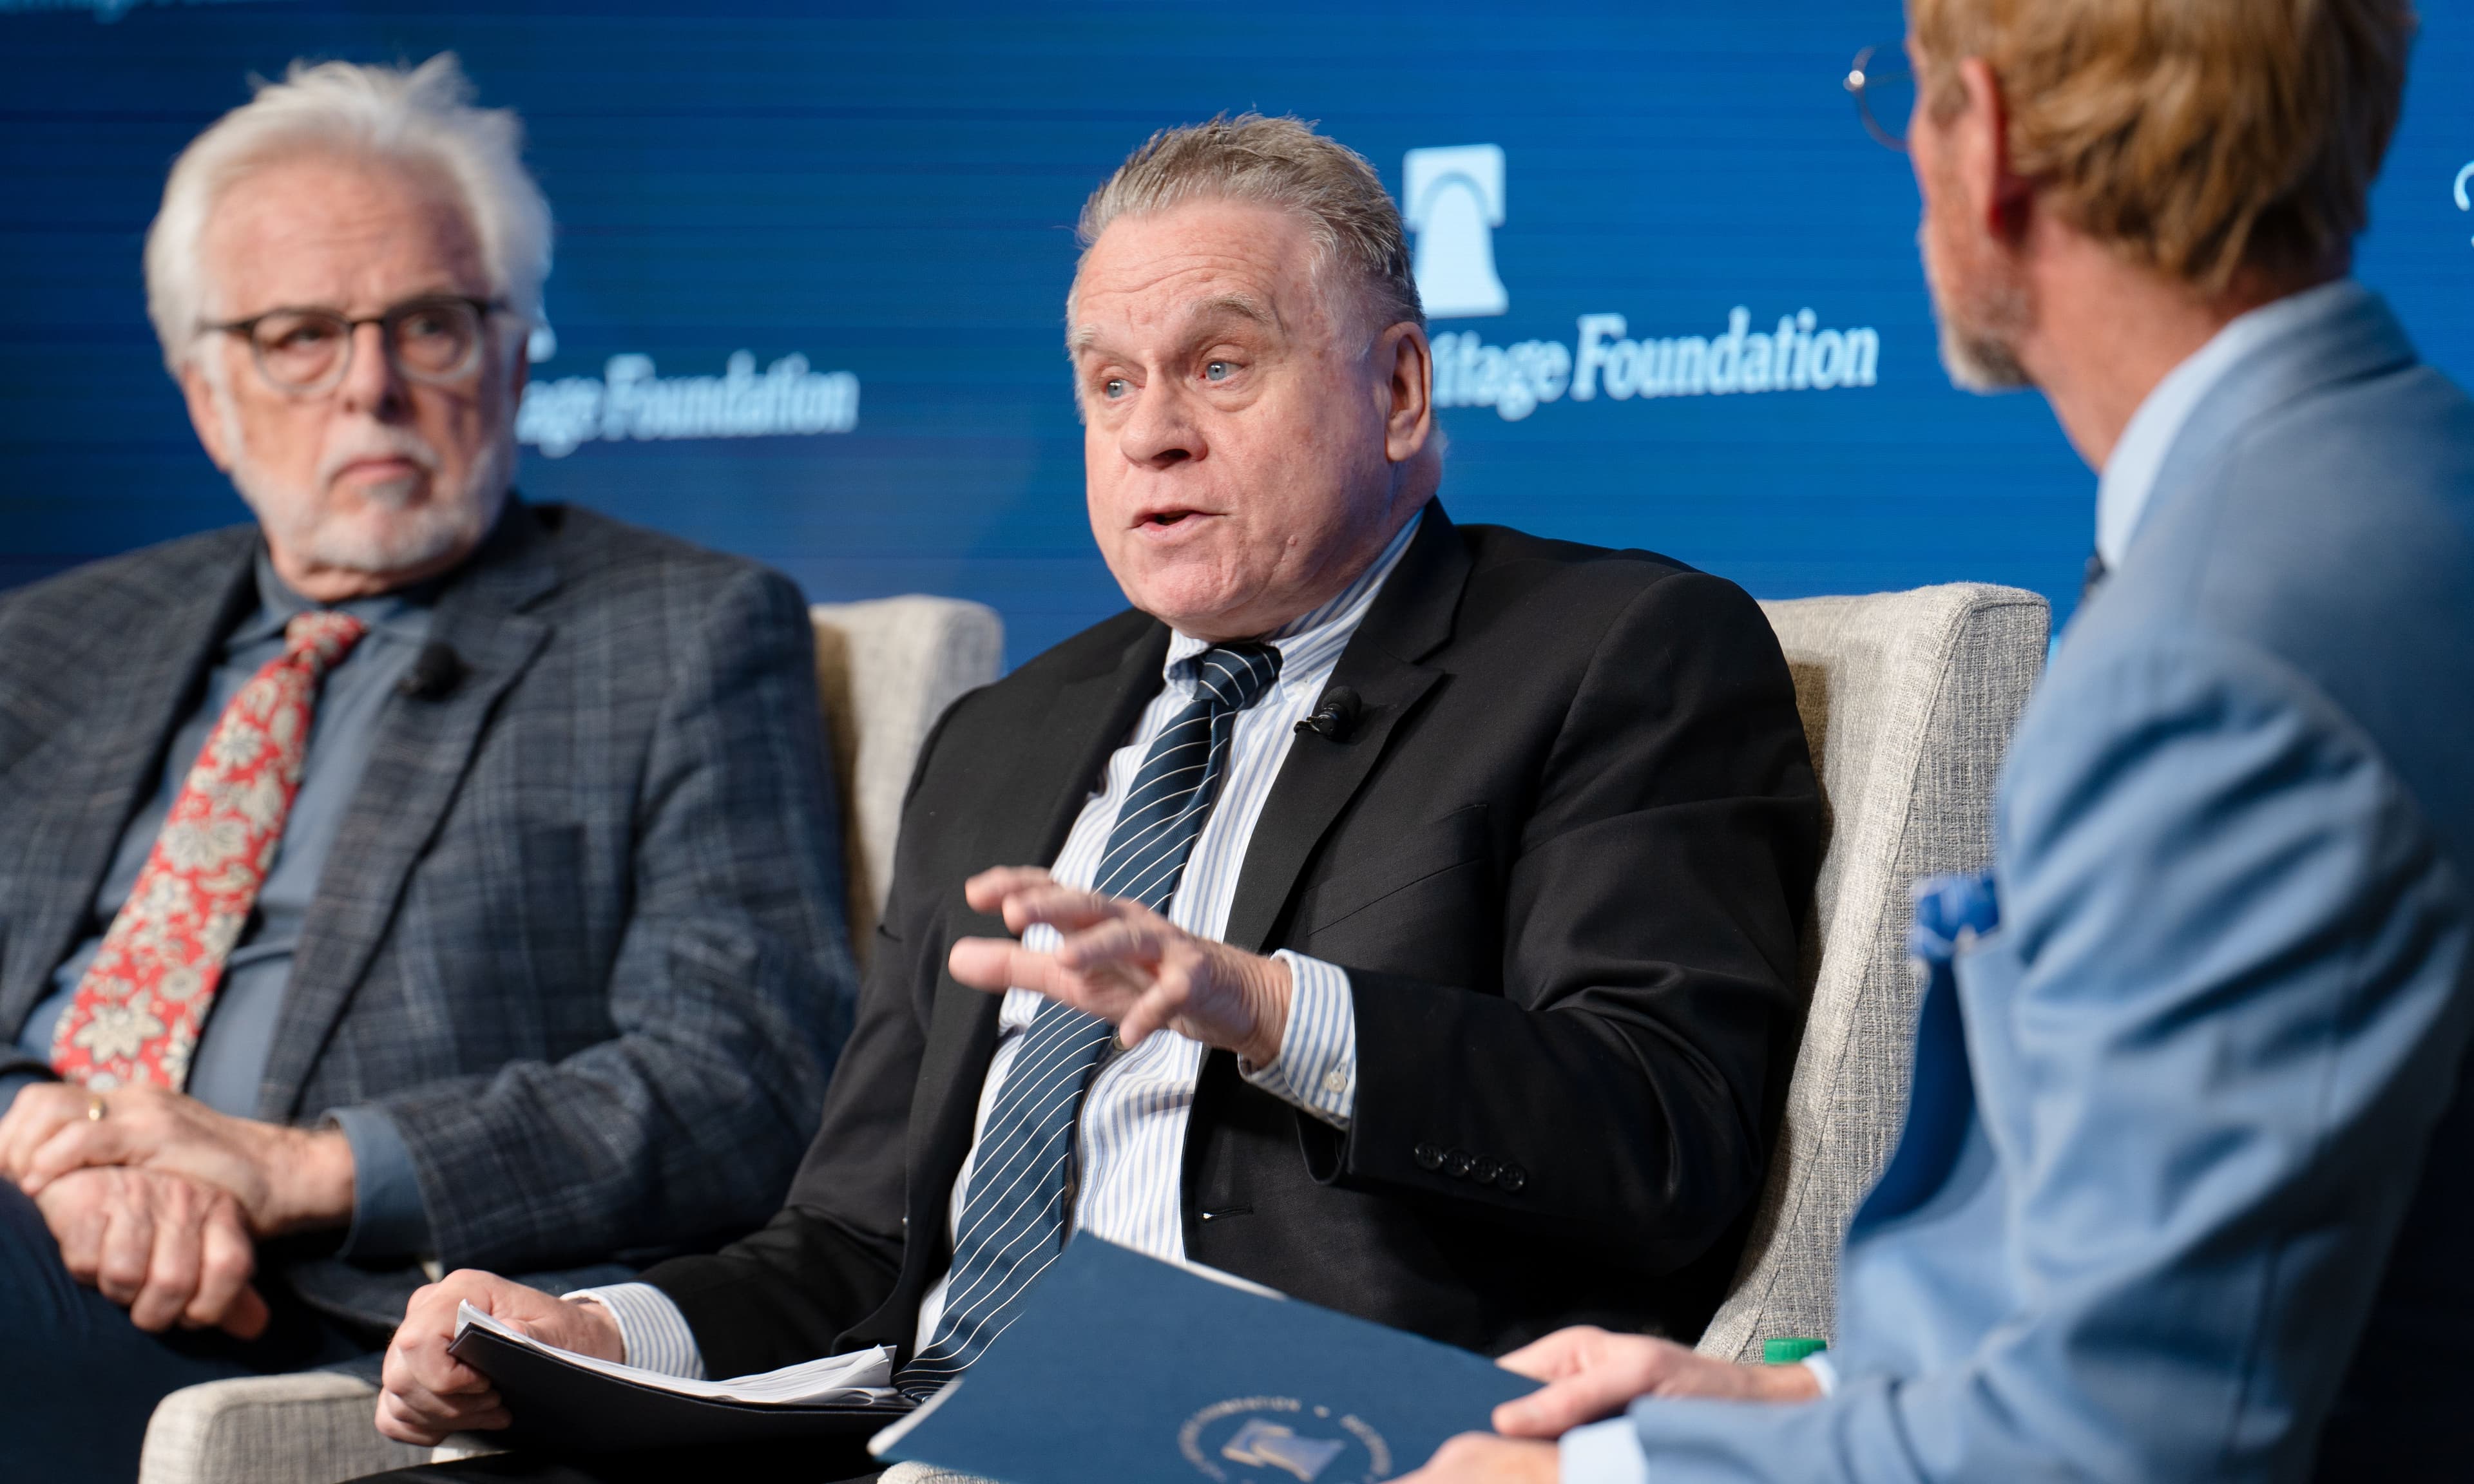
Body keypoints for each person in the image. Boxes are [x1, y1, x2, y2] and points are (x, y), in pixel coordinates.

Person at [360, 114, 1822, 1481]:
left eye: (1221, 366)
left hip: (1264, 1438)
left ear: (1397, 390)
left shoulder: (1611, 654)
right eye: (1110, 383)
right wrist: (602, 1334)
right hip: (899, 1432)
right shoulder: (1003, 738)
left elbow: (1666, 1135)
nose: (1149, 434)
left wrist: (1268, 1009)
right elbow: (860, 1241)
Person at [1403, 1, 2474, 1481]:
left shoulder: (2212, 659)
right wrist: (1790, 1401)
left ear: (1994, 143)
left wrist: (1601, 1477)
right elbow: (2200, 1259)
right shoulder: (2396, 486)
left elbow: (2126, 1440)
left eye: (1902, 98)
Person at [0, 55, 855, 1479]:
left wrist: (294, 1169)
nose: (372, 388)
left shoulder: (683, 632)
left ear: (514, 356)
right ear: (208, 395)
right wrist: (51, 1147)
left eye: (432, 326)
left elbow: (747, 1076)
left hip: (323, 1300)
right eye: (298, 336)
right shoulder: (51, 644)